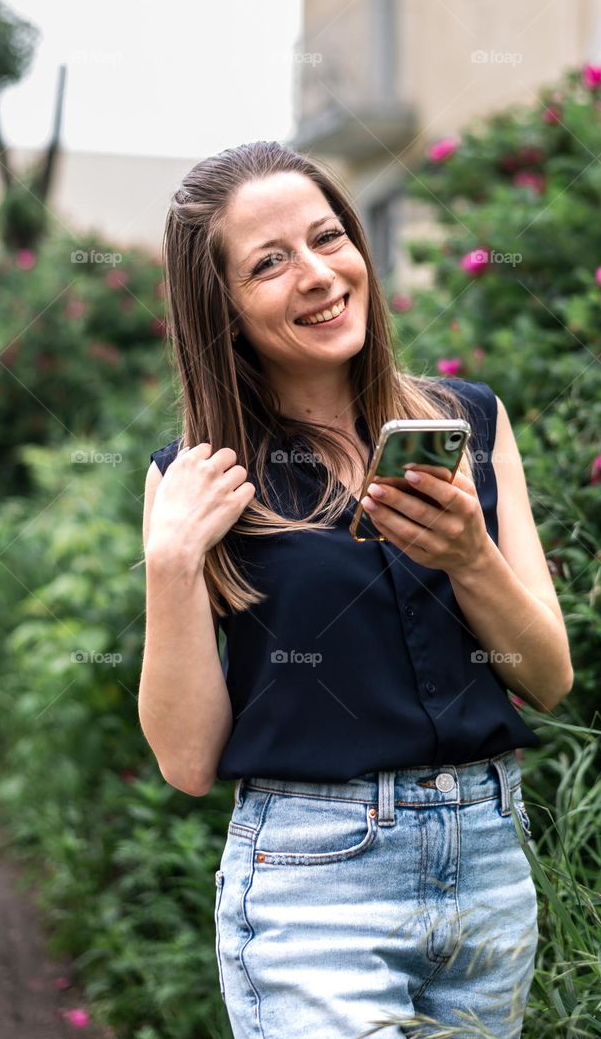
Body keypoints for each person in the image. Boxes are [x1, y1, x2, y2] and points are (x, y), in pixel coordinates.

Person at [139, 141, 573, 1039]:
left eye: (328, 237)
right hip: (313, 881)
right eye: (269, 262)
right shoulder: (198, 477)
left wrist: (469, 556)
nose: (318, 274)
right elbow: (187, 762)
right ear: (222, 310)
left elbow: (549, 675)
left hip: (488, 861)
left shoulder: (468, 422)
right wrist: (172, 562)